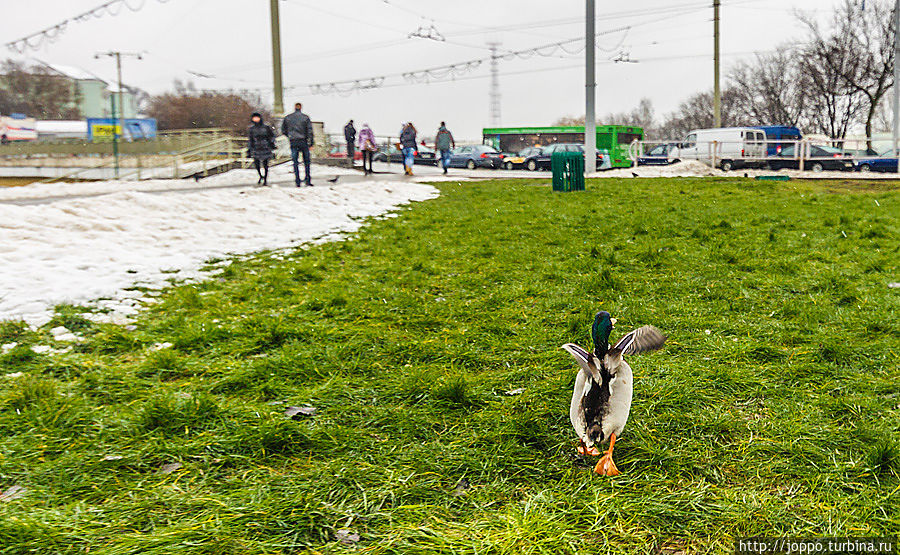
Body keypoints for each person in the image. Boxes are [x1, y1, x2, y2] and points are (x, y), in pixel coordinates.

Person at [282, 102, 315, 187]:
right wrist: (311, 142)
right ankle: (307, 180)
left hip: (293, 141)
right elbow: (309, 131)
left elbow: (283, 130)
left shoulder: (288, 118)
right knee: (306, 161)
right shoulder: (305, 118)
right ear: (301, 108)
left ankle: (297, 181)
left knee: (295, 162)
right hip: (303, 141)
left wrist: (290, 136)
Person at [247, 112, 276, 186]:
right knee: (257, 164)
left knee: (265, 164)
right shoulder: (252, 129)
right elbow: (250, 139)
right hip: (256, 147)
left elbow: (271, 136)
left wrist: (271, 143)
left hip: (265, 146)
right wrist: (250, 149)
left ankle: (265, 179)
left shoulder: (266, 127)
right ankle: (260, 176)